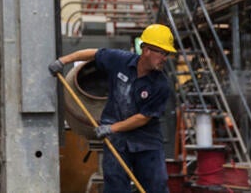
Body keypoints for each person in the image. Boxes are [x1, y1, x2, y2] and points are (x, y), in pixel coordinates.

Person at [48, 23, 176, 193]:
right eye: (162, 53)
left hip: (146, 142)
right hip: (117, 141)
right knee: (115, 188)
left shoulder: (161, 85)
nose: (165, 58)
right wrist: (62, 61)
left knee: (156, 186)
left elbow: (143, 117)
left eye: (167, 54)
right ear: (147, 50)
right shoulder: (120, 60)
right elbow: (92, 54)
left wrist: (111, 128)